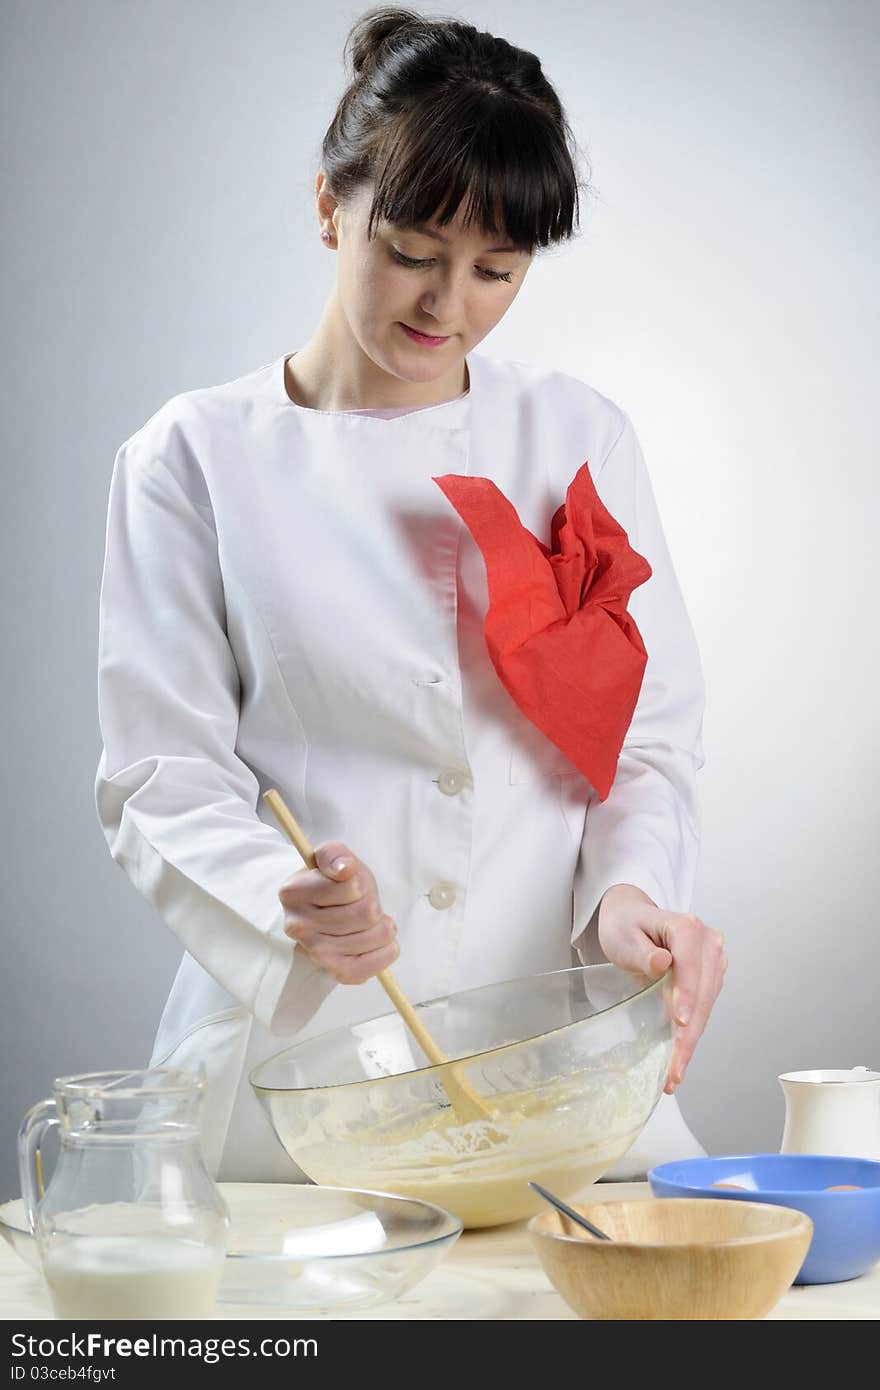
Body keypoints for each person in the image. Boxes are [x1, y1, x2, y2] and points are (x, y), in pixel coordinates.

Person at [95, 5, 726, 1183]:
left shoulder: (575, 434)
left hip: (556, 1057)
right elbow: (157, 771)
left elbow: (642, 744)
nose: (448, 305)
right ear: (330, 209)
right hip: (295, 1070)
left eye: (496, 270)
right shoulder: (191, 457)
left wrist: (633, 898)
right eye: (413, 252)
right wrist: (275, 898)